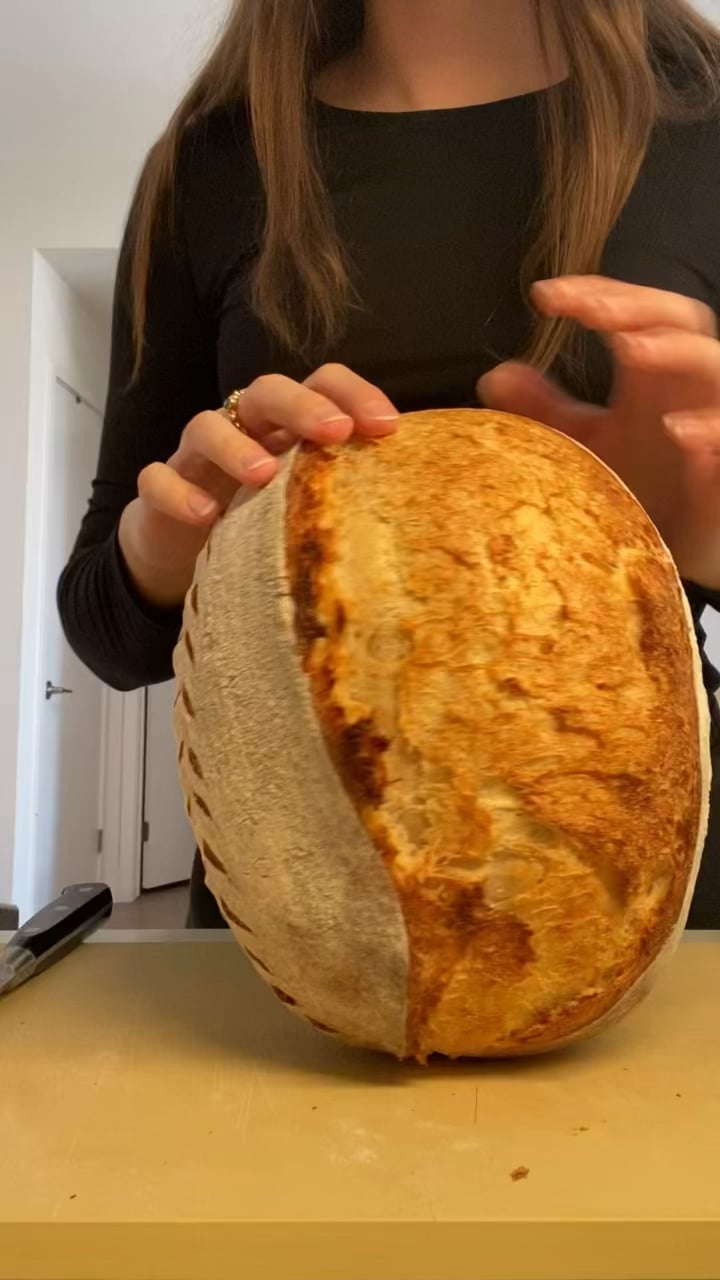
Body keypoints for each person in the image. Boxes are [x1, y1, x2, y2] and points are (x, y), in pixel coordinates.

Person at [59, 0, 720, 929]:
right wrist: (172, 543)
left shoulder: (704, 124)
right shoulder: (208, 166)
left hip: (636, 895)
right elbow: (106, 634)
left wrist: (700, 536)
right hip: (297, 910)